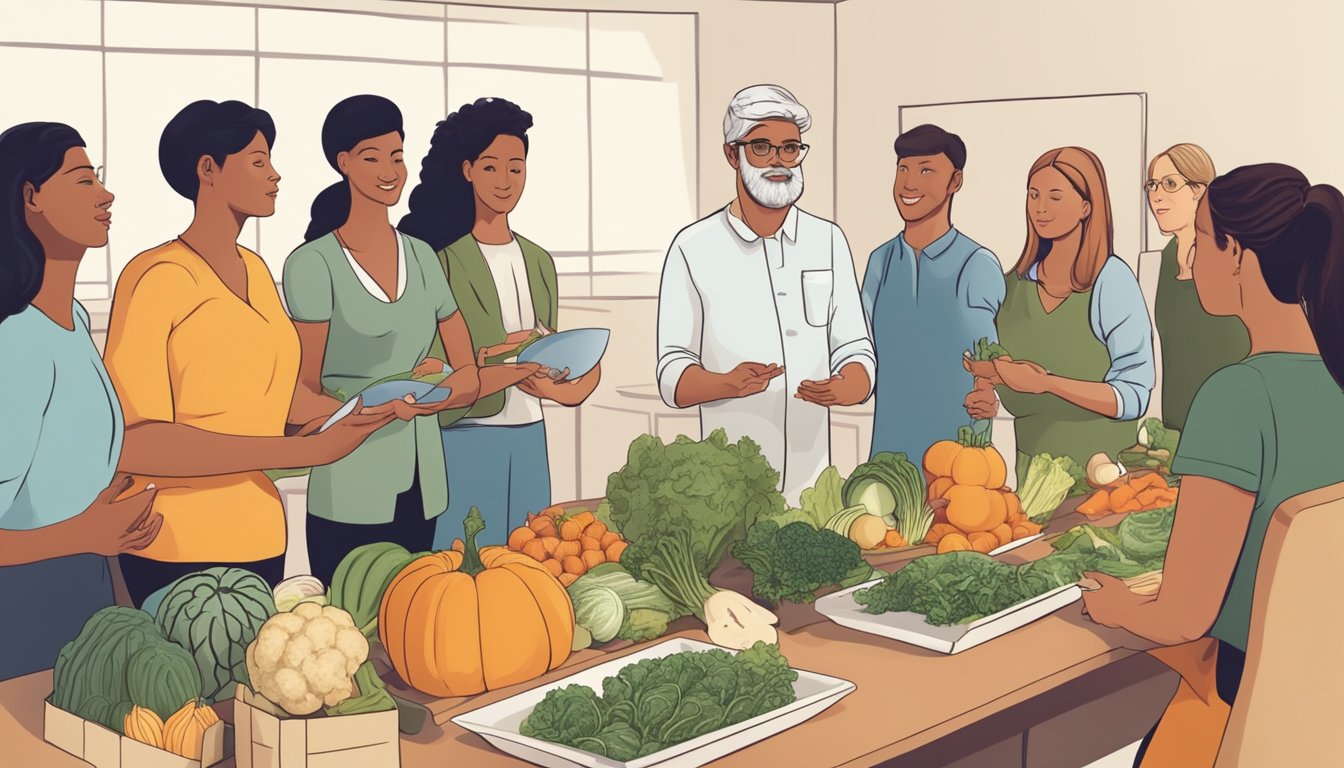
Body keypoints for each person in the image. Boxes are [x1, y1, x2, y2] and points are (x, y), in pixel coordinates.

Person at [1081, 163, 1344, 768]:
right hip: (1317, 700)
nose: (1192, 259)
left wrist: (1114, 603)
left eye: (1202, 240)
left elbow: (1182, 616)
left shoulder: (1239, 395)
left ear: (1240, 255)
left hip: (1239, 710)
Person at [103, 101, 395, 606]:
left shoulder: (256, 271)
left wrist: (373, 407)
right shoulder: (156, 277)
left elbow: (277, 403)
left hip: (262, 537)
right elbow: (136, 443)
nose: (276, 175)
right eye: (259, 161)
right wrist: (299, 453)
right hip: (174, 545)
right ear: (208, 170)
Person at [284, 95, 526, 583]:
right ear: (343, 163)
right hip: (350, 484)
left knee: (416, 621)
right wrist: (374, 405)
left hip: (425, 485)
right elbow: (297, 398)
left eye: (397, 156)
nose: (389, 170)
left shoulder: (421, 257)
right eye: (372, 157)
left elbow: (466, 378)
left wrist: (438, 392)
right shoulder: (312, 265)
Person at [656, 84, 875, 505]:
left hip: (817, 490)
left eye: (790, 148)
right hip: (728, 495)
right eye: (761, 146)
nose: (778, 159)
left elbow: (855, 347)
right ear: (731, 154)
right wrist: (724, 384)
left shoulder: (827, 239)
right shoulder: (692, 247)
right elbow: (672, 374)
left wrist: (851, 385)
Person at [0, 122, 162, 680]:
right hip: (20, 620)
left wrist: (123, 606)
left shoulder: (75, 320)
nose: (106, 193)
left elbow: (85, 497)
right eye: (83, 179)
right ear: (31, 197)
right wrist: (85, 533)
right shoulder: (15, 341)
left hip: (84, 604)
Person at [401, 97, 600, 548]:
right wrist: (503, 356)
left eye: (516, 167)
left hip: (530, 432)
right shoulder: (441, 259)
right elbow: (428, 367)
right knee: (462, 562)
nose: (506, 181)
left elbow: (555, 357)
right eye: (491, 168)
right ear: (467, 169)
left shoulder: (538, 261)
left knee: (531, 557)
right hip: (467, 434)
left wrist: (559, 383)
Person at [965, 146, 1154, 486]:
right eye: (1034, 195)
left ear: (1086, 206)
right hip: (1033, 481)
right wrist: (986, 391)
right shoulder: (1011, 287)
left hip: (1105, 481)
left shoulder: (1111, 281)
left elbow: (1133, 396)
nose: (1040, 208)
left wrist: (1047, 383)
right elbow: (999, 374)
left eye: (1054, 197)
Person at [862, 124, 1004, 460]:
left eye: (926, 170)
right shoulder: (880, 261)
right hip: (888, 455)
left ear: (955, 181)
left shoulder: (976, 263)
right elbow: (861, 348)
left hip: (959, 463)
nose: (909, 183)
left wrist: (986, 392)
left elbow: (989, 355)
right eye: (903, 169)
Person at [1147, 143, 1249, 432]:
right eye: (1152, 185)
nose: (1157, 196)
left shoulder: (1231, 253)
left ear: (1200, 190)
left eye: (1169, 184)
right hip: (1176, 430)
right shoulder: (1162, 261)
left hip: (1233, 423)